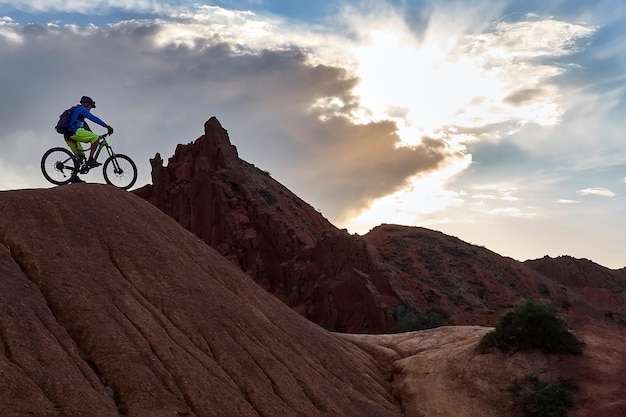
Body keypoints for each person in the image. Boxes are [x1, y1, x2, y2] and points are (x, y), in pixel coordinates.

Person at [64, 96, 114, 170]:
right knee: (95, 138)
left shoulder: (79, 116)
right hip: (74, 132)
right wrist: (106, 126)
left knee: (80, 158)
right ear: (86, 104)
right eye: (90, 107)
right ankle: (91, 160)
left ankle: (74, 177)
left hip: (68, 135)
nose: (90, 109)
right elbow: (93, 118)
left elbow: (87, 129)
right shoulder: (81, 109)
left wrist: (94, 138)